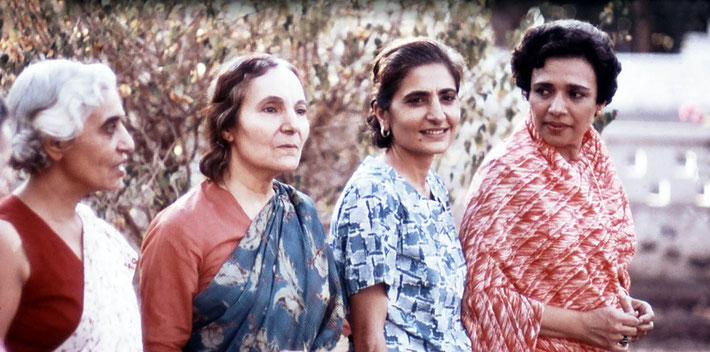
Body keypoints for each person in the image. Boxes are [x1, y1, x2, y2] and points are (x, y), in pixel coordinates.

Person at [459, 20, 655, 351]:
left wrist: (625, 309)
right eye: (544, 91)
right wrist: (584, 326)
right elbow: (479, 298)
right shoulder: (507, 173)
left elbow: (588, 274)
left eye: (575, 94)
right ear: (528, 93)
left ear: (599, 104)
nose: (556, 108)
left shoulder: (596, 165)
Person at [139, 54, 345, 351]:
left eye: (300, 111)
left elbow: (333, 328)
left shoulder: (301, 214)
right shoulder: (180, 229)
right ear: (227, 127)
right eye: (271, 109)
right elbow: (159, 345)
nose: (292, 125)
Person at [329, 38, 472, 351]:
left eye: (447, 98)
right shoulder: (373, 195)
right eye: (417, 100)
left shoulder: (433, 186)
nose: (437, 114)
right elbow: (370, 340)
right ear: (383, 114)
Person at [0, 59, 142, 351]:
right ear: (56, 143)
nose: (128, 143)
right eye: (109, 127)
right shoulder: (8, 241)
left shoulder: (98, 234)